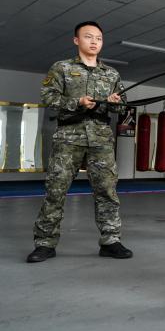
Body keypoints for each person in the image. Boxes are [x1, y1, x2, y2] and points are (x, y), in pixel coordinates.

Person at [27, 21, 133, 263]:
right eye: (88, 37)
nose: (94, 41)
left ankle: (110, 240)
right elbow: (49, 97)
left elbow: (122, 102)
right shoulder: (61, 68)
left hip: (101, 139)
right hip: (68, 137)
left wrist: (115, 101)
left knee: (106, 191)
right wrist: (78, 102)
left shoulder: (111, 74)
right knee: (56, 190)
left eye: (98, 38)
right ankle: (45, 243)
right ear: (77, 40)